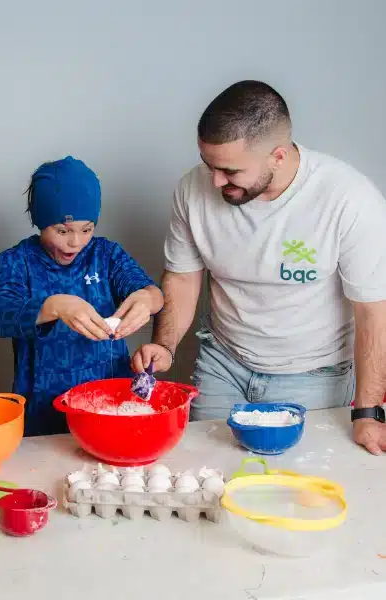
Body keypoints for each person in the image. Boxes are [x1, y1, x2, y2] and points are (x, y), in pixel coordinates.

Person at [132, 80, 386, 455]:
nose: (215, 180)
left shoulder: (350, 200)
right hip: (222, 365)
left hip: (313, 376)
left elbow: (373, 313)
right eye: (209, 165)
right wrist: (165, 345)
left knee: (293, 490)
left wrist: (368, 411)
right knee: (203, 474)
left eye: (231, 171)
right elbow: (183, 278)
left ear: (278, 156)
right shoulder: (192, 188)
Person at [0, 156, 163, 436]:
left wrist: (148, 299)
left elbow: (152, 293)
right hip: (43, 412)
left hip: (111, 405)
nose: (75, 242)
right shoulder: (17, 261)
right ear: (40, 222)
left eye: (86, 229)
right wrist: (52, 306)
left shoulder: (106, 255)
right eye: (62, 230)